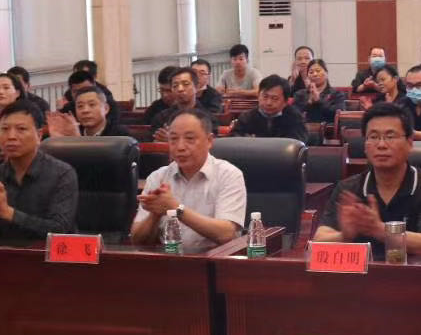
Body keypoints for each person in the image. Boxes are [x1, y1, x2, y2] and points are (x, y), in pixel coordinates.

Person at [314, 102, 421, 256]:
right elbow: (319, 240)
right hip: (365, 271)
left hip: (413, 270)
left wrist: (378, 229)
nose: (381, 145)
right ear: (365, 145)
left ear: (410, 142)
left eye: (390, 137)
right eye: (373, 137)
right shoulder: (348, 189)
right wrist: (344, 236)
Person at [131, 109, 246, 252]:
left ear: (209, 141)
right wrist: (155, 213)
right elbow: (137, 240)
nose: (180, 147)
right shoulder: (158, 177)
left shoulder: (228, 175)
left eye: (190, 138)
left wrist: (176, 208)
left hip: (214, 261)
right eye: (173, 139)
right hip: (168, 260)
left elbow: (227, 234)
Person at [0, 101, 79, 240]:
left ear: (39, 135)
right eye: (4, 129)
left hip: (45, 252)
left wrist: (7, 213)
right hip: (4, 251)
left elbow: (59, 229)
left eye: (21, 129)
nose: (11, 136)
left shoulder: (62, 174)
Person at [229, 74, 309, 142]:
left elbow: (298, 143)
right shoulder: (247, 117)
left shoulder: (294, 117)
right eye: (265, 97)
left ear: (285, 101)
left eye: (274, 98)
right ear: (258, 96)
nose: (268, 103)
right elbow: (234, 139)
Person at [294, 59, 347, 130]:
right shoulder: (300, 94)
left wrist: (319, 101)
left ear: (326, 73)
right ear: (308, 76)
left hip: (328, 131)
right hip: (303, 131)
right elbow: (294, 114)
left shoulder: (337, 94)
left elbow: (338, 114)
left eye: (318, 71)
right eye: (311, 72)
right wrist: (309, 103)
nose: (315, 74)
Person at [142, 65, 183, 131]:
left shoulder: (193, 108)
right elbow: (144, 128)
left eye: (169, 91)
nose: (164, 95)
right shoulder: (155, 108)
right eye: (161, 90)